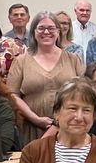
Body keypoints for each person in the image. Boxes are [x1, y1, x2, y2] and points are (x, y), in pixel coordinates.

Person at [8, 11, 85, 146]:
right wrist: (35, 119)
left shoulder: (73, 60)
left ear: (58, 32)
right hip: (32, 128)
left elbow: (84, 93)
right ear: (33, 32)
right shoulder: (21, 61)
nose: (46, 32)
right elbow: (12, 94)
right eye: (41, 28)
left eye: (51, 28)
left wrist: (60, 122)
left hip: (69, 127)